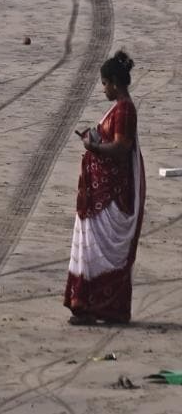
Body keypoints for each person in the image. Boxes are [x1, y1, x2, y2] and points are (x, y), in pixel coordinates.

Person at [65, 50, 145, 325]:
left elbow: (122, 149)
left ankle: (99, 307)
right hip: (102, 192)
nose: (103, 90)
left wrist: (94, 146)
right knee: (93, 248)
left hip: (110, 195)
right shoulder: (120, 108)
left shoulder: (124, 109)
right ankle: (92, 306)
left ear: (113, 83)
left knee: (100, 250)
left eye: (104, 84)